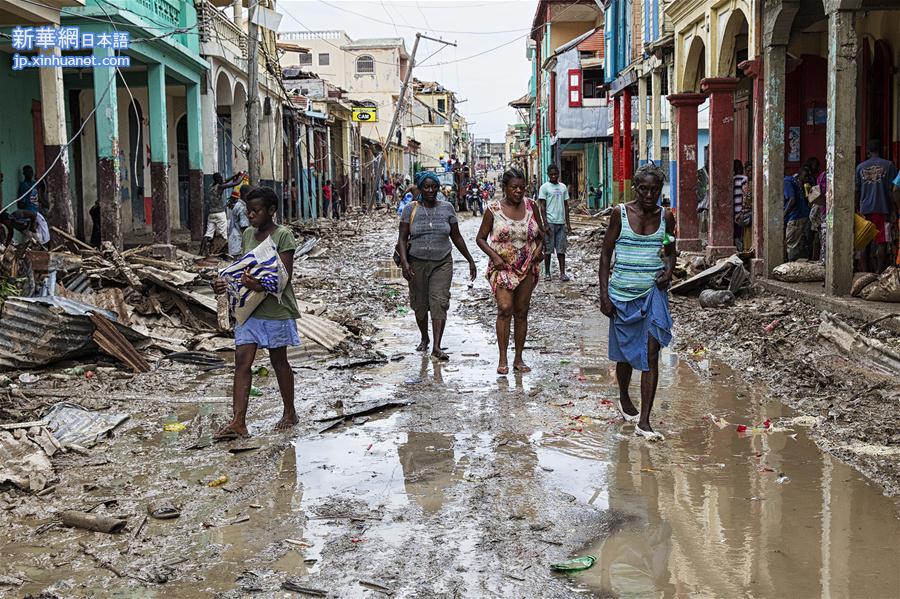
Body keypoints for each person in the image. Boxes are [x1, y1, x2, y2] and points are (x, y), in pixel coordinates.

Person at [212, 186, 301, 439]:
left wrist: (259, 285)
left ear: (271, 211)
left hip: (275, 310)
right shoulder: (249, 234)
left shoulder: (283, 236)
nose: (250, 215)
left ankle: (289, 412)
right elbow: (243, 268)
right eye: (249, 211)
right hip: (250, 309)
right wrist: (224, 282)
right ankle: (238, 421)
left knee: (278, 361)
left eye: (256, 211)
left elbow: (284, 277)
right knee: (242, 361)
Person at [599, 163, 675, 441]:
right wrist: (603, 294)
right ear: (635, 187)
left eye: (655, 189)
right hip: (621, 295)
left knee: (650, 354)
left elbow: (669, 250)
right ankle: (623, 395)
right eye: (643, 188)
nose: (649, 194)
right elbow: (606, 254)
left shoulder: (667, 217)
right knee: (624, 356)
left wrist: (668, 271)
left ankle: (644, 421)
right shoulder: (620, 214)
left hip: (652, 296)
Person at [397, 171, 477, 361]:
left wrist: (470, 259)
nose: (431, 190)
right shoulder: (410, 209)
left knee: (439, 302)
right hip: (416, 262)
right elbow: (401, 239)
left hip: (442, 262)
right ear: (420, 188)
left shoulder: (447, 208)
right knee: (420, 305)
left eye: (434, 187)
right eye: (427, 187)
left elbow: (456, 236)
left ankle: (436, 346)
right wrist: (405, 264)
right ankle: (424, 337)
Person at [476, 167, 545, 375]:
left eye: (522, 188)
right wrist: (494, 257)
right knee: (505, 308)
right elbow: (480, 238)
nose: (518, 191)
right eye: (514, 187)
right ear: (505, 187)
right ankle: (503, 357)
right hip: (503, 266)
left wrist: (539, 251)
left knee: (522, 312)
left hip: (526, 266)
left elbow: (541, 236)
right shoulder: (493, 209)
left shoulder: (532, 206)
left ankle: (519, 358)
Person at [856, 139, 898, 273]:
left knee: (864, 242)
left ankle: (866, 273)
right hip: (883, 208)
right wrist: (893, 210)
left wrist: (856, 208)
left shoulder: (860, 167)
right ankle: (879, 273)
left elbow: (856, 190)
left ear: (868, 152)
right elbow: (893, 190)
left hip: (865, 209)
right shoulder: (889, 165)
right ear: (882, 150)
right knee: (882, 241)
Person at [538, 164, 572, 281]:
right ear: (548, 174)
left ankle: (562, 273)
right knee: (548, 250)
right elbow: (542, 206)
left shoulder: (563, 187)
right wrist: (545, 223)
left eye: (555, 174)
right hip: (550, 223)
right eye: (551, 174)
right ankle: (547, 273)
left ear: (558, 174)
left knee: (561, 250)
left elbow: (566, 206)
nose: (553, 176)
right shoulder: (544, 187)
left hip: (561, 223)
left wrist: (568, 223)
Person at [202, 172, 243, 255]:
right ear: (218, 179)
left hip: (211, 214)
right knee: (223, 235)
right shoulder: (220, 187)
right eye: (220, 178)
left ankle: (201, 252)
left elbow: (225, 180)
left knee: (208, 234)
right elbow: (236, 183)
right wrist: (242, 176)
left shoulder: (211, 186)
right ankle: (220, 252)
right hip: (220, 213)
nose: (222, 179)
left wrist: (234, 176)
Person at [783, 170, 810, 262]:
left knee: (792, 245)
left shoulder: (786, 182)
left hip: (795, 217)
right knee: (799, 245)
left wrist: (783, 215)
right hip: (802, 215)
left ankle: (791, 268)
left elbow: (792, 200)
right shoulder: (791, 179)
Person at [226, 186, 250, 257]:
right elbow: (244, 227)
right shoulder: (242, 208)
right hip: (238, 240)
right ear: (246, 195)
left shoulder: (238, 205)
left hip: (234, 238)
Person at [732, 160, 748, 250]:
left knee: (736, 233)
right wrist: (742, 211)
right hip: (741, 210)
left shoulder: (731, 180)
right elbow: (745, 196)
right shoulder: (744, 179)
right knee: (742, 233)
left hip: (733, 211)